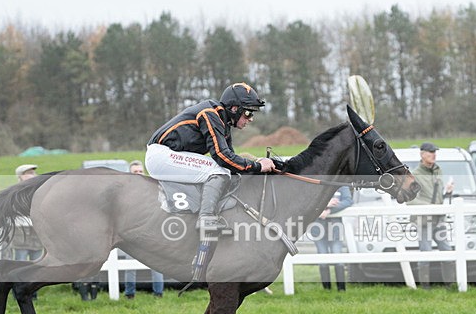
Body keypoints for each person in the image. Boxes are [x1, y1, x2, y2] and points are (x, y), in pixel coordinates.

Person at [145, 82, 276, 232]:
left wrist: (256, 163)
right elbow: (221, 156)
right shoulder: (210, 114)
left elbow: (231, 160)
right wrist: (258, 167)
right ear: (234, 109)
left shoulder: (222, 121)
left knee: (224, 171)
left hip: (168, 155)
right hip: (161, 156)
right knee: (218, 171)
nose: (251, 119)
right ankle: (206, 218)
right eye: (248, 113)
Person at [409, 142, 455, 289]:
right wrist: (430, 208)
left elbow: (437, 195)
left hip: (439, 218)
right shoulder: (415, 175)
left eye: (435, 151)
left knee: (447, 251)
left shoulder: (438, 170)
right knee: (426, 253)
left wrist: (447, 192)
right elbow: (411, 199)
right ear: (422, 154)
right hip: (424, 220)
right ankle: (425, 288)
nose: (434, 154)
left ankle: (450, 285)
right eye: (430, 152)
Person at [124, 160, 164, 298]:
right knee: (129, 264)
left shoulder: (153, 188)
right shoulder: (125, 192)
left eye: (140, 171)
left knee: (156, 263)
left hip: (152, 232)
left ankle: (158, 293)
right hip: (132, 232)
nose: (138, 174)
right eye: (135, 172)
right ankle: (130, 294)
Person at [308, 186, 353, 291]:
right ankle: (327, 289)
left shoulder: (342, 186)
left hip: (335, 230)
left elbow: (348, 201)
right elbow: (310, 202)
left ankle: (341, 289)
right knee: (323, 260)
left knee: (338, 260)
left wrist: (329, 211)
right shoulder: (317, 184)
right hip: (317, 230)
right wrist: (326, 204)